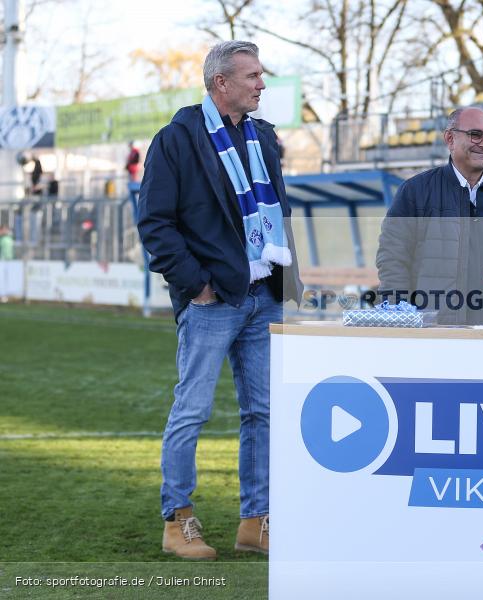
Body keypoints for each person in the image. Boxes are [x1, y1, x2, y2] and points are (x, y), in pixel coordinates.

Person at [137, 40, 302, 560]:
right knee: (192, 410)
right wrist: (197, 285)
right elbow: (156, 224)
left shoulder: (265, 137)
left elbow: (279, 217)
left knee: (265, 412)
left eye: (261, 75)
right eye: (252, 76)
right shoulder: (177, 139)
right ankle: (178, 520)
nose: (261, 85)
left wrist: (288, 283)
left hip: (264, 294)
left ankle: (256, 521)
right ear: (220, 84)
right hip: (212, 301)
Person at [376, 107, 483, 326]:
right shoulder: (415, 192)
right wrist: (399, 322)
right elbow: (393, 262)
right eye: (475, 134)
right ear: (450, 138)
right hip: (438, 338)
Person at [0, 224, 12, 303]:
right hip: (1, 260)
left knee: (6, 279)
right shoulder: (1, 238)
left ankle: (4, 296)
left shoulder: (9, 238)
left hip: (9, 260)